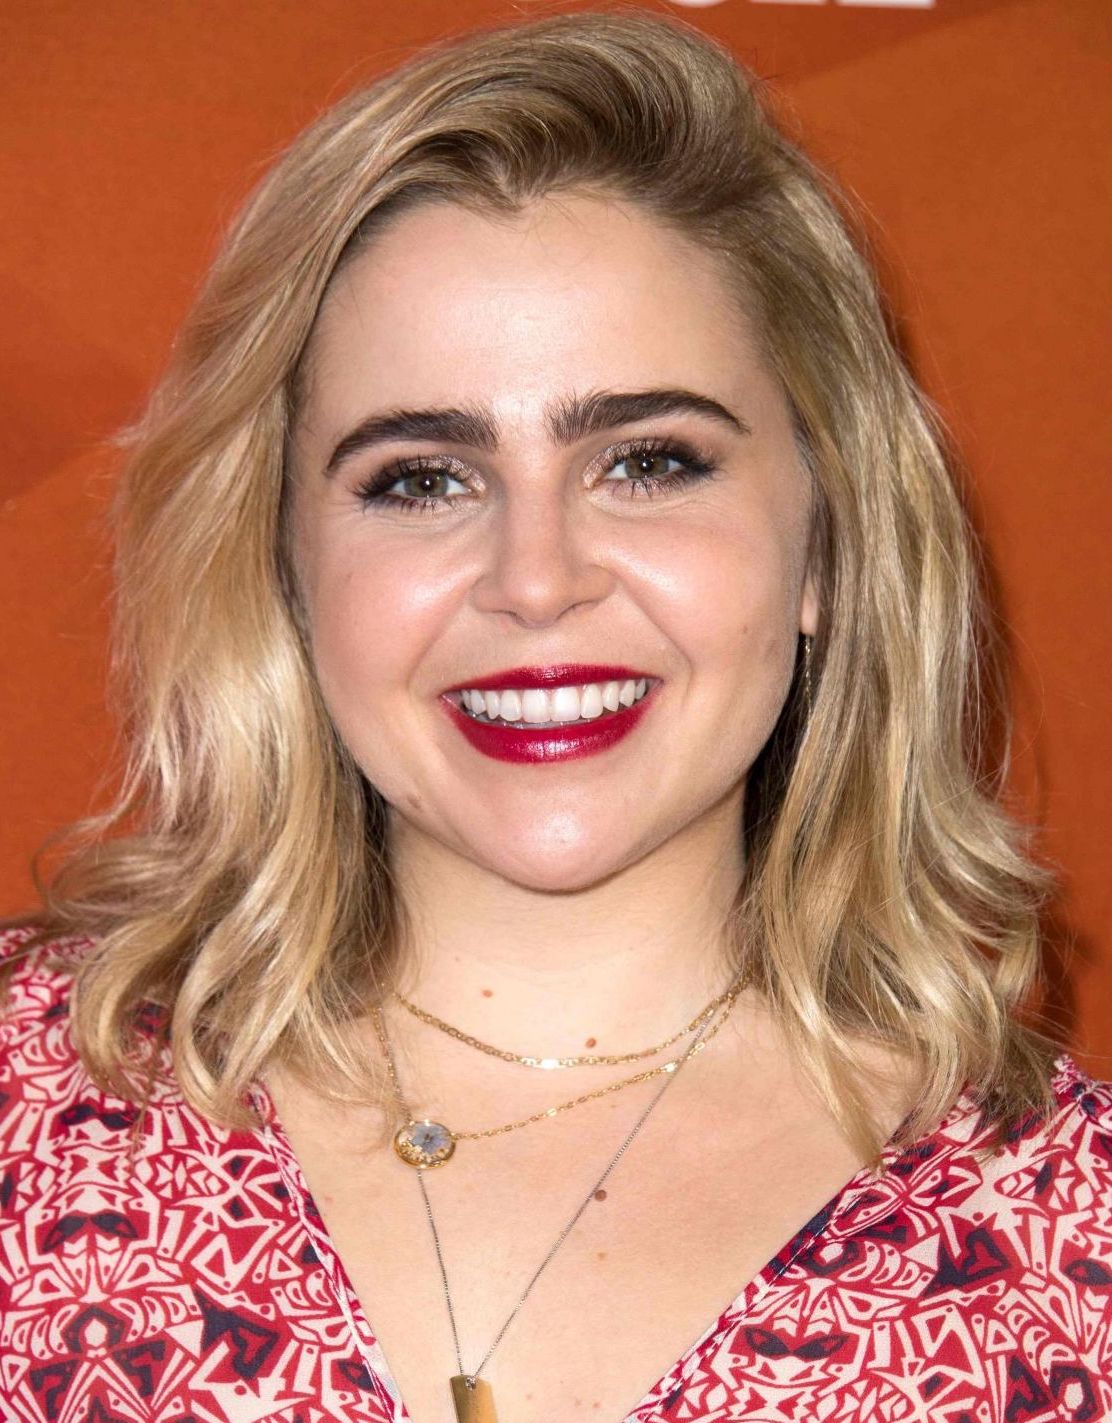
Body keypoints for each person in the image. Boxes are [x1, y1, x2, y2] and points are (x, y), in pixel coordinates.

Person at [1, 10, 1108, 1423]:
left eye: (648, 462)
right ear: (285, 569)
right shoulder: (27, 1095)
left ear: (826, 545)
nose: (535, 580)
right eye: (421, 479)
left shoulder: (1070, 1253)